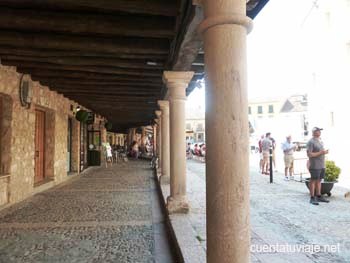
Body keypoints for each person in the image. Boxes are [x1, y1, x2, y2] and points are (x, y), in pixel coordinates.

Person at [306, 127, 329, 205]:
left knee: (319, 180)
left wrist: (324, 152)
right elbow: (309, 154)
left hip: (322, 164)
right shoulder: (311, 142)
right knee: (313, 180)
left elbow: (320, 152)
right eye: (318, 131)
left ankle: (319, 196)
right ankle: (312, 197)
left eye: (320, 131)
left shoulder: (320, 140)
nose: (319, 132)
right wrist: (321, 153)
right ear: (314, 132)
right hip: (315, 165)